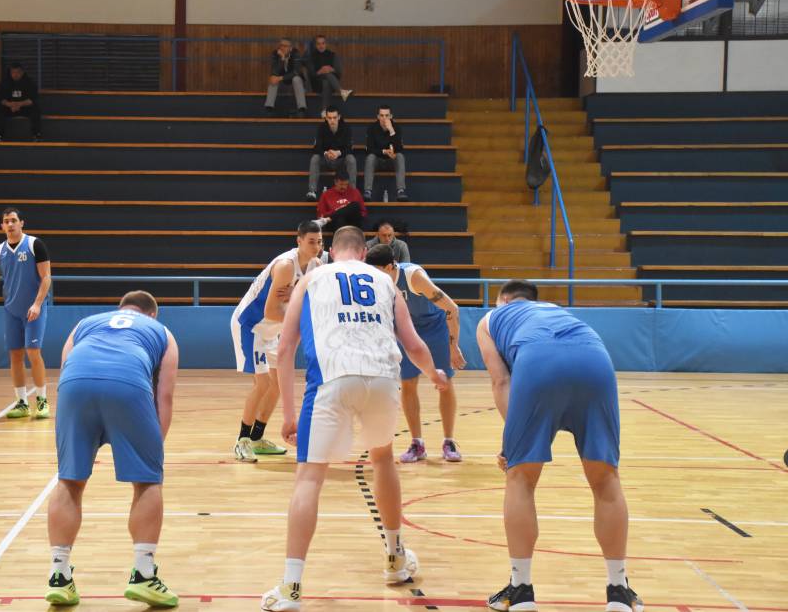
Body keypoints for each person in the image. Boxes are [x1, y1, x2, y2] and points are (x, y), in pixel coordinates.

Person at [260, 226, 448, 611]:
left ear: (330, 252)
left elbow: (286, 348)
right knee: (383, 459)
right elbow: (413, 344)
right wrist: (434, 374)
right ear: (364, 253)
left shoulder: (311, 278)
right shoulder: (386, 281)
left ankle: (291, 586)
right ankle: (395, 558)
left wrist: (289, 415)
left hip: (332, 379)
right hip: (383, 379)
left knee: (309, 477)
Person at [477, 280, 643, 612]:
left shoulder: (490, 320)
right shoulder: (556, 311)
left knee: (521, 478)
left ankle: (520, 590)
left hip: (539, 362)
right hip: (595, 359)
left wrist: (512, 442)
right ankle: (618, 591)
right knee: (606, 479)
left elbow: (501, 381)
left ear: (503, 300)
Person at [45, 291, 179, 608]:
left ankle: (59, 575)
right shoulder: (162, 332)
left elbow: (66, 371)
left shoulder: (85, 323)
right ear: (152, 314)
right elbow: (165, 396)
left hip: (75, 385)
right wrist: (152, 453)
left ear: (120, 309)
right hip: (128, 384)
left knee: (69, 480)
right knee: (147, 482)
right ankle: (143, 573)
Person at [230, 221, 325, 462]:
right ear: (299, 241)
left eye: (320, 242)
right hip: (252, 325)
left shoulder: (316, 266)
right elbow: (271, 311)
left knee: (277, 385)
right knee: (262, 384)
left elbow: (314, 299)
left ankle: (257, 438)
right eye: (311, 242)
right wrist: (301, 313)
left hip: (273, 328)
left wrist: (296, 294)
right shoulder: (285, 266)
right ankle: (242, 441)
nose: (316, 247)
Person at [365, 244, 466, 462]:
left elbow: (451, 308)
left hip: (435, 327)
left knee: (444, 382)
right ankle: (417, 443)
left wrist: (453, 346)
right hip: (407, 328)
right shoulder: (374, 282)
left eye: (376, 270)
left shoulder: (413, 277)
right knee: (408, 382)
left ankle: (449, 441)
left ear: (390, 266)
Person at [0, 208, 53, 419]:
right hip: (11, 310)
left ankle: (42, 400)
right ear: (2, 226)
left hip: (33, 310)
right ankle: (22, 403)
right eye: (6, 221)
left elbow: (46, 278)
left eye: (14, 220)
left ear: (21, 223)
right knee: (15, 355)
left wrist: (37, 304)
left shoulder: (35, 244)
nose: (10, 224)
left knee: (33, 352)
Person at [306, 106, 356, 202]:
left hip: (341, 159)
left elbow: (350, 148)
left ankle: (351, 192)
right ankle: (312, 191)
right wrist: (326, 153)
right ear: (326, 118)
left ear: (339, 117)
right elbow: (316, 148)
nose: (332, 120)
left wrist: (338, 153)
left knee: (351, 159)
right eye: (329, 118)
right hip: (327, 159)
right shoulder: (321, 128)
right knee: (315, 158)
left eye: (334, 117)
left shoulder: (346, 128)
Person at [364, 104, 408, 202]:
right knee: (370, 157)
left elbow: (400, 149)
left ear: (391, 116)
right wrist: (384, 152)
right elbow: (369, 149)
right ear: (378, 116)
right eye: (382, 115)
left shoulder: (396, 128)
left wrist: (391, 130)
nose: (384, 118)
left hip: (391, 160)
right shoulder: (371, 128)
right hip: (378, 161)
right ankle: (368, 191)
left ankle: (401, 190)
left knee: (400, 156)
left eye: (387, 115)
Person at [305, 35, 352, 116]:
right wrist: (321, 71)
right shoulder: (311, 57)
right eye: (319, 44)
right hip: (317, 84)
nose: (321, 46)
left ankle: (324, 110)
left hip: (333, 85)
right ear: (316, 45)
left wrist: (331, 70)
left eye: (323, 43)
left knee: (326, 81)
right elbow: (311, 74)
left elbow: (339, 73)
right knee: (326, 78)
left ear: (326, 44)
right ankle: (341, 92)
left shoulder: (332, 55)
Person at [0, 62, 42, 141]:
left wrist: (19, 104)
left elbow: (32, 100)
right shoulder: (5, 82)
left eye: (18, 72)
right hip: (10, 108)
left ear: (22, 72)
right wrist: (10, 104)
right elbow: (1, 99)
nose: (15, 74)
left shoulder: (30, 82)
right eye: (13, 72)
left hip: (24, 108)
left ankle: (36, 135)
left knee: (35, 109)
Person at [264, 38, 307, 117]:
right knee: (273, 78)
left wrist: (280, 78)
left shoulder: (296, 53)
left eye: (285, 46)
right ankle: (269, 107)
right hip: (281, 77)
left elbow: (296, 72)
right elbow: (274, 71)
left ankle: (302, 108)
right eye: (281, 45)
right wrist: (282, 59)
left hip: (293, 77)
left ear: (290, 48)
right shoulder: (275, 54)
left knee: (296, 79)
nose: (282, 48)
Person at [314, 168, 366, 232]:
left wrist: (346, 211)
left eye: (346, 184)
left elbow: (363, 212)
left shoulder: (355, 192)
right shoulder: (326, 194)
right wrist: (337, 212)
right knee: (339, 219)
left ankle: (330, 218)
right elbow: (321, 214)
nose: (344, 187)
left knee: (355, 205)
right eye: (341, 184)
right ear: (335, 182)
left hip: (352, 222)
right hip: (335, 223)